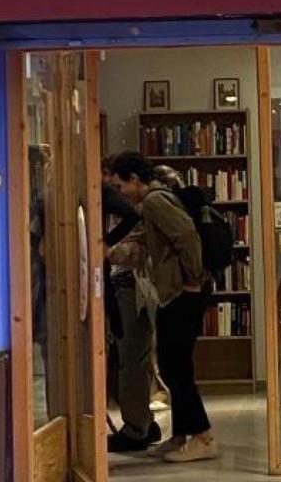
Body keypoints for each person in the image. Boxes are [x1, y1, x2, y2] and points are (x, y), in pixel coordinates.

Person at [109, 152, 217, 463]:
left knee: (175, 365)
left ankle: (202, 436)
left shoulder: (156, 201)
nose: (120, 193)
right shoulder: (154, 202)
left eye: (120, 185)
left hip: (182, 293)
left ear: (134, 179)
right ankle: (182, 434)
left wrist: (192, 280)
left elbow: (186, 236)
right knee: (172, 364)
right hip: (175, 292)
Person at [101, 157, 163, 452]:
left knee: (131, 358)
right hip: (129, 286)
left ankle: (137, 427)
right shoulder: (140, 204)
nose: (117, 190)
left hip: (131, 286)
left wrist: (109, 251)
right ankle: (141, 422)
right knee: (132, 357)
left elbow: (141, 248)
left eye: (118, 184)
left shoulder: (145, 207)